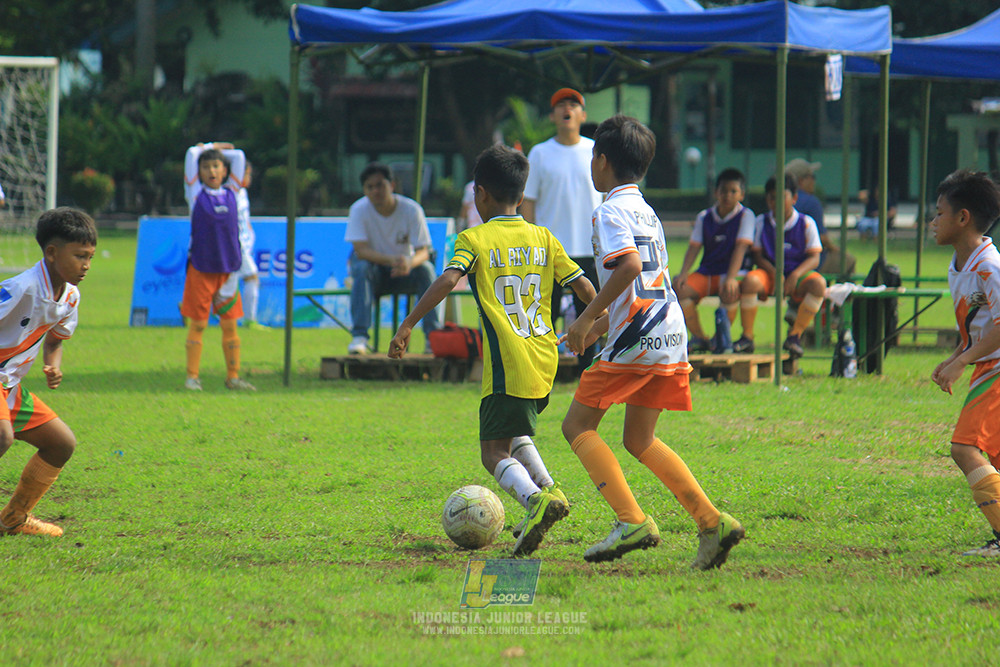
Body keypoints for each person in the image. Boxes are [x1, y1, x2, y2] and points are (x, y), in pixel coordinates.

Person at [388, 144, 597, 557]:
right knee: (514, 430)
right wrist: (590, 327)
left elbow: (448, 281)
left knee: (492, 451)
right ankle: (549, 490)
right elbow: (588, 290)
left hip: (508, 362)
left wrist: (408, 323)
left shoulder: (475, 238)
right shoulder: (544, 237)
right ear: (520, 195)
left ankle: (536, 502)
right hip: (544, 359)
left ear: (480, 194)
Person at [561, 115, 744, 568]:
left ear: (601, 162)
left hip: (638, 341)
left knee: (576, 426)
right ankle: (710, 521)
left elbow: (626, 270)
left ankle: (631, 520)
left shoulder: (608, 210)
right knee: (640, 438)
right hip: (667, 332)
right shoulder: (646, 209)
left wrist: (585, 318)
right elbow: (642, 283)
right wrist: (599, 326)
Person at [0, 207, 96, 537]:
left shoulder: (70, 295)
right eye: (79, 256)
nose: (86, 265)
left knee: (61, 444)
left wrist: (53, 364)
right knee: (2, 437)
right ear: (52, 253)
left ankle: (12, 518)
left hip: (8, 386)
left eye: (90, 257)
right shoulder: (20, 288)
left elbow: (56, 338)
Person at [929, 169, 1000, 557]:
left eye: (939, 213)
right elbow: (978, 327)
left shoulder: (989, 266)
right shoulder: (962, 265)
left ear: (963, 218)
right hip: (987, 365)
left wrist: (963, 361)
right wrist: (955, 358)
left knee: (964, 448)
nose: (932, 222)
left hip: (997, 368)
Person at [521, 88, 604, 372]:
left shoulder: (595, 151)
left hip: (589, 248)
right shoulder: (541, 153)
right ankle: (545, 369)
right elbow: (528, 202)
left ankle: (586, 370)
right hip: (550, 251)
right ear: (552, 115)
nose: (567, 109)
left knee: (589, 312)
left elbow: (606, 199)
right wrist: (532, 241)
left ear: (583, 114)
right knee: (546, 313)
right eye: (561, 106)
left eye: (573, 105)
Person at [181, 142, 256, 392]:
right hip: (202, 269)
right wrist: (211, 146)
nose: (212, 171)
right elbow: (192, 153)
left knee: (230, 325)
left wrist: (223, 149)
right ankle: (192, 378)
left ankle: (233, 377)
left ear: (225, 170)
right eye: (206, 167)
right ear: (199, 172)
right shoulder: (194, 193)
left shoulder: (233, 191)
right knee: (199, 324)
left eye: (216, 166)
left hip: (229, 271)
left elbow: (240, 155)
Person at [345, 162, 440, 355]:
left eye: (380, 185)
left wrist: (408, 263)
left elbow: (424, 251)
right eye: (369, 187)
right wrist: (392, 261)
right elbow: (360, 251)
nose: (375, 191)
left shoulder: (412, 209)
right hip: (375, 273)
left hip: (406, 271)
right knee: (361, 267)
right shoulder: (358, 209)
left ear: (392, 185)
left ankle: (433, 338)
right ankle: (360, 337)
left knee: (427, 270)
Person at [735, 174, 826, 359]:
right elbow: (758, 255)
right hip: (770, 274)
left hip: (797, 275)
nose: (775, 202)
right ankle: (747, 337)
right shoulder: (761, 222)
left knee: (819, 285)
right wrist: (774, 273)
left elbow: (814, 258)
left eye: (780, 197)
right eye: (770, 197)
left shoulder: (806, 223)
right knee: (750, 282)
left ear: (794, 198)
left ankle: (795, 335)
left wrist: (794, 275)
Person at [673, 168, 755, 352]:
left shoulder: (746, 216)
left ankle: (721, 338)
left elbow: (741, 248)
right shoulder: (704, 217)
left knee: (730, 290)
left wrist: (732, 277)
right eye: (723, 191)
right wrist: (684, 273)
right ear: (716, 192)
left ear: (741, 194)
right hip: (708, 271)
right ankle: (699, 337)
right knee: (679, 289)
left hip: (734, 273)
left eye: (733, 191)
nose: (727, 195)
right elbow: (694, 247)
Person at [784, 158, 856, 277]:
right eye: (812, 177)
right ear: (801, 180)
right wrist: (834, 247)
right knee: (848, 260)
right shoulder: (811, 202)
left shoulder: (781, 200)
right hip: (809, 261)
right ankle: (842, 293)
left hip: (785, 258)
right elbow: (821, 238)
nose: (814, 181)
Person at [236, 162, 266, 329]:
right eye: (247, 174)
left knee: (224, 283)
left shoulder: (242, 193)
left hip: (244, 245)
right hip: (236, 246)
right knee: (252, 278)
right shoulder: (231, 193)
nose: (249, 178)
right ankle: (249, 319)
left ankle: (188, 308)